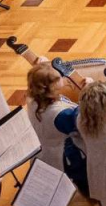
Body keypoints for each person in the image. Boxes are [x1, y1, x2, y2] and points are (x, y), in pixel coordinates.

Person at [26, 63, 88, 196]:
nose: (63, 78)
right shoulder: (61, 115)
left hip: (42, 150)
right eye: (59, 77)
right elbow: (84, 125)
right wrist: (87, 93)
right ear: (52, 86)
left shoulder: (32, 98)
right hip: (63, 156)